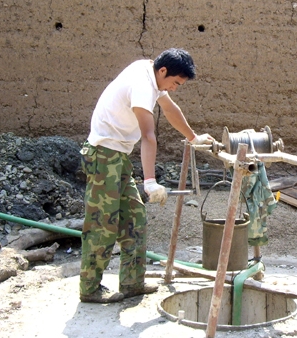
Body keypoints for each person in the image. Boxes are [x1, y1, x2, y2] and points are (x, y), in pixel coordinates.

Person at [79, 48, 214, 303]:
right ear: (163, 71)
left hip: (117, 156)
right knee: (103, 223)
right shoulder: (142, 84)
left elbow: (170, 109)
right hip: (103, 155)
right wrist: (150, 183)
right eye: (175, 82)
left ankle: (132, 283)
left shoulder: (150, 71)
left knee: (135, 219)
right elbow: (148, 135)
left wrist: (193, 138)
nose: (174, 88)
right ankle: (89, 289)